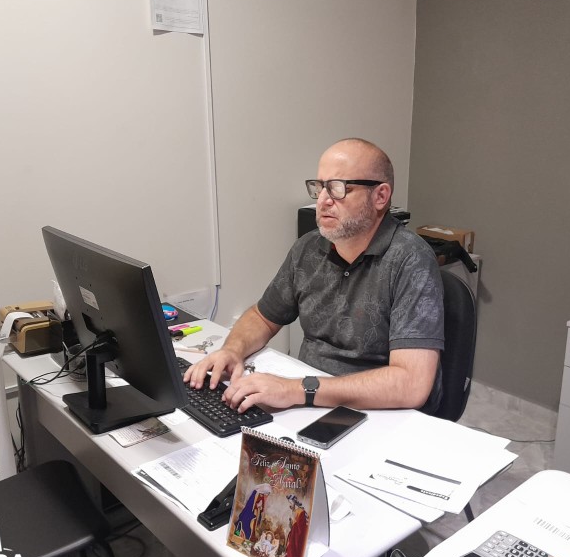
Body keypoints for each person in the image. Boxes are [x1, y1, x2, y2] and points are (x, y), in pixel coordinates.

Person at [184, 137, 444, 413]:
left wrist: (296, 389)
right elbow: (263, 316)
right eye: (319, 187)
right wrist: (232, 350)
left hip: (375, 410)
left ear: (380, 196)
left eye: (338, 188)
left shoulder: (411, 259)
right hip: (309, 396)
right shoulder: (309, 248)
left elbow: (411, 384)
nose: (323, 201)